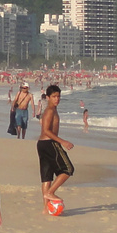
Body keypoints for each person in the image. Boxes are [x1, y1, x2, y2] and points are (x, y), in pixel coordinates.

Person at [36, 84, 75, 213]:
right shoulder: (50, 111)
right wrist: (62, 141)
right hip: (49, 143)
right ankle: (50, 193)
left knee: (47, 176)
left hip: (43, 144)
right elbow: (46, 130)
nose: (57, 99)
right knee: (68, 168)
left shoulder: (53, 110)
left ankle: (45, 208)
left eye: (58, 96)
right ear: (47, 97)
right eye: (54, 97)